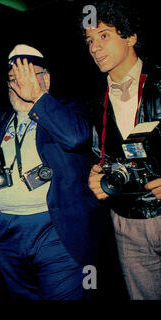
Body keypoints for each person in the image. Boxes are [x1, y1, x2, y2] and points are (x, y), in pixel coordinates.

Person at [0, 44, 106, 300]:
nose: (19, 85)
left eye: (27, 76)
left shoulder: (71, 108)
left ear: (46, 79)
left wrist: (38, 98)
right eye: (13, 79)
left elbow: (75, 138)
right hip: (7, 231)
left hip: (55, 229)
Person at [84, 0, 161, 300]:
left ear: (130, 37)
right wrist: (96, 179)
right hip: (126, 222)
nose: (94, 47)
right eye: (90, 40)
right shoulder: (94, 102)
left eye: (104, 35)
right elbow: (98, 159)